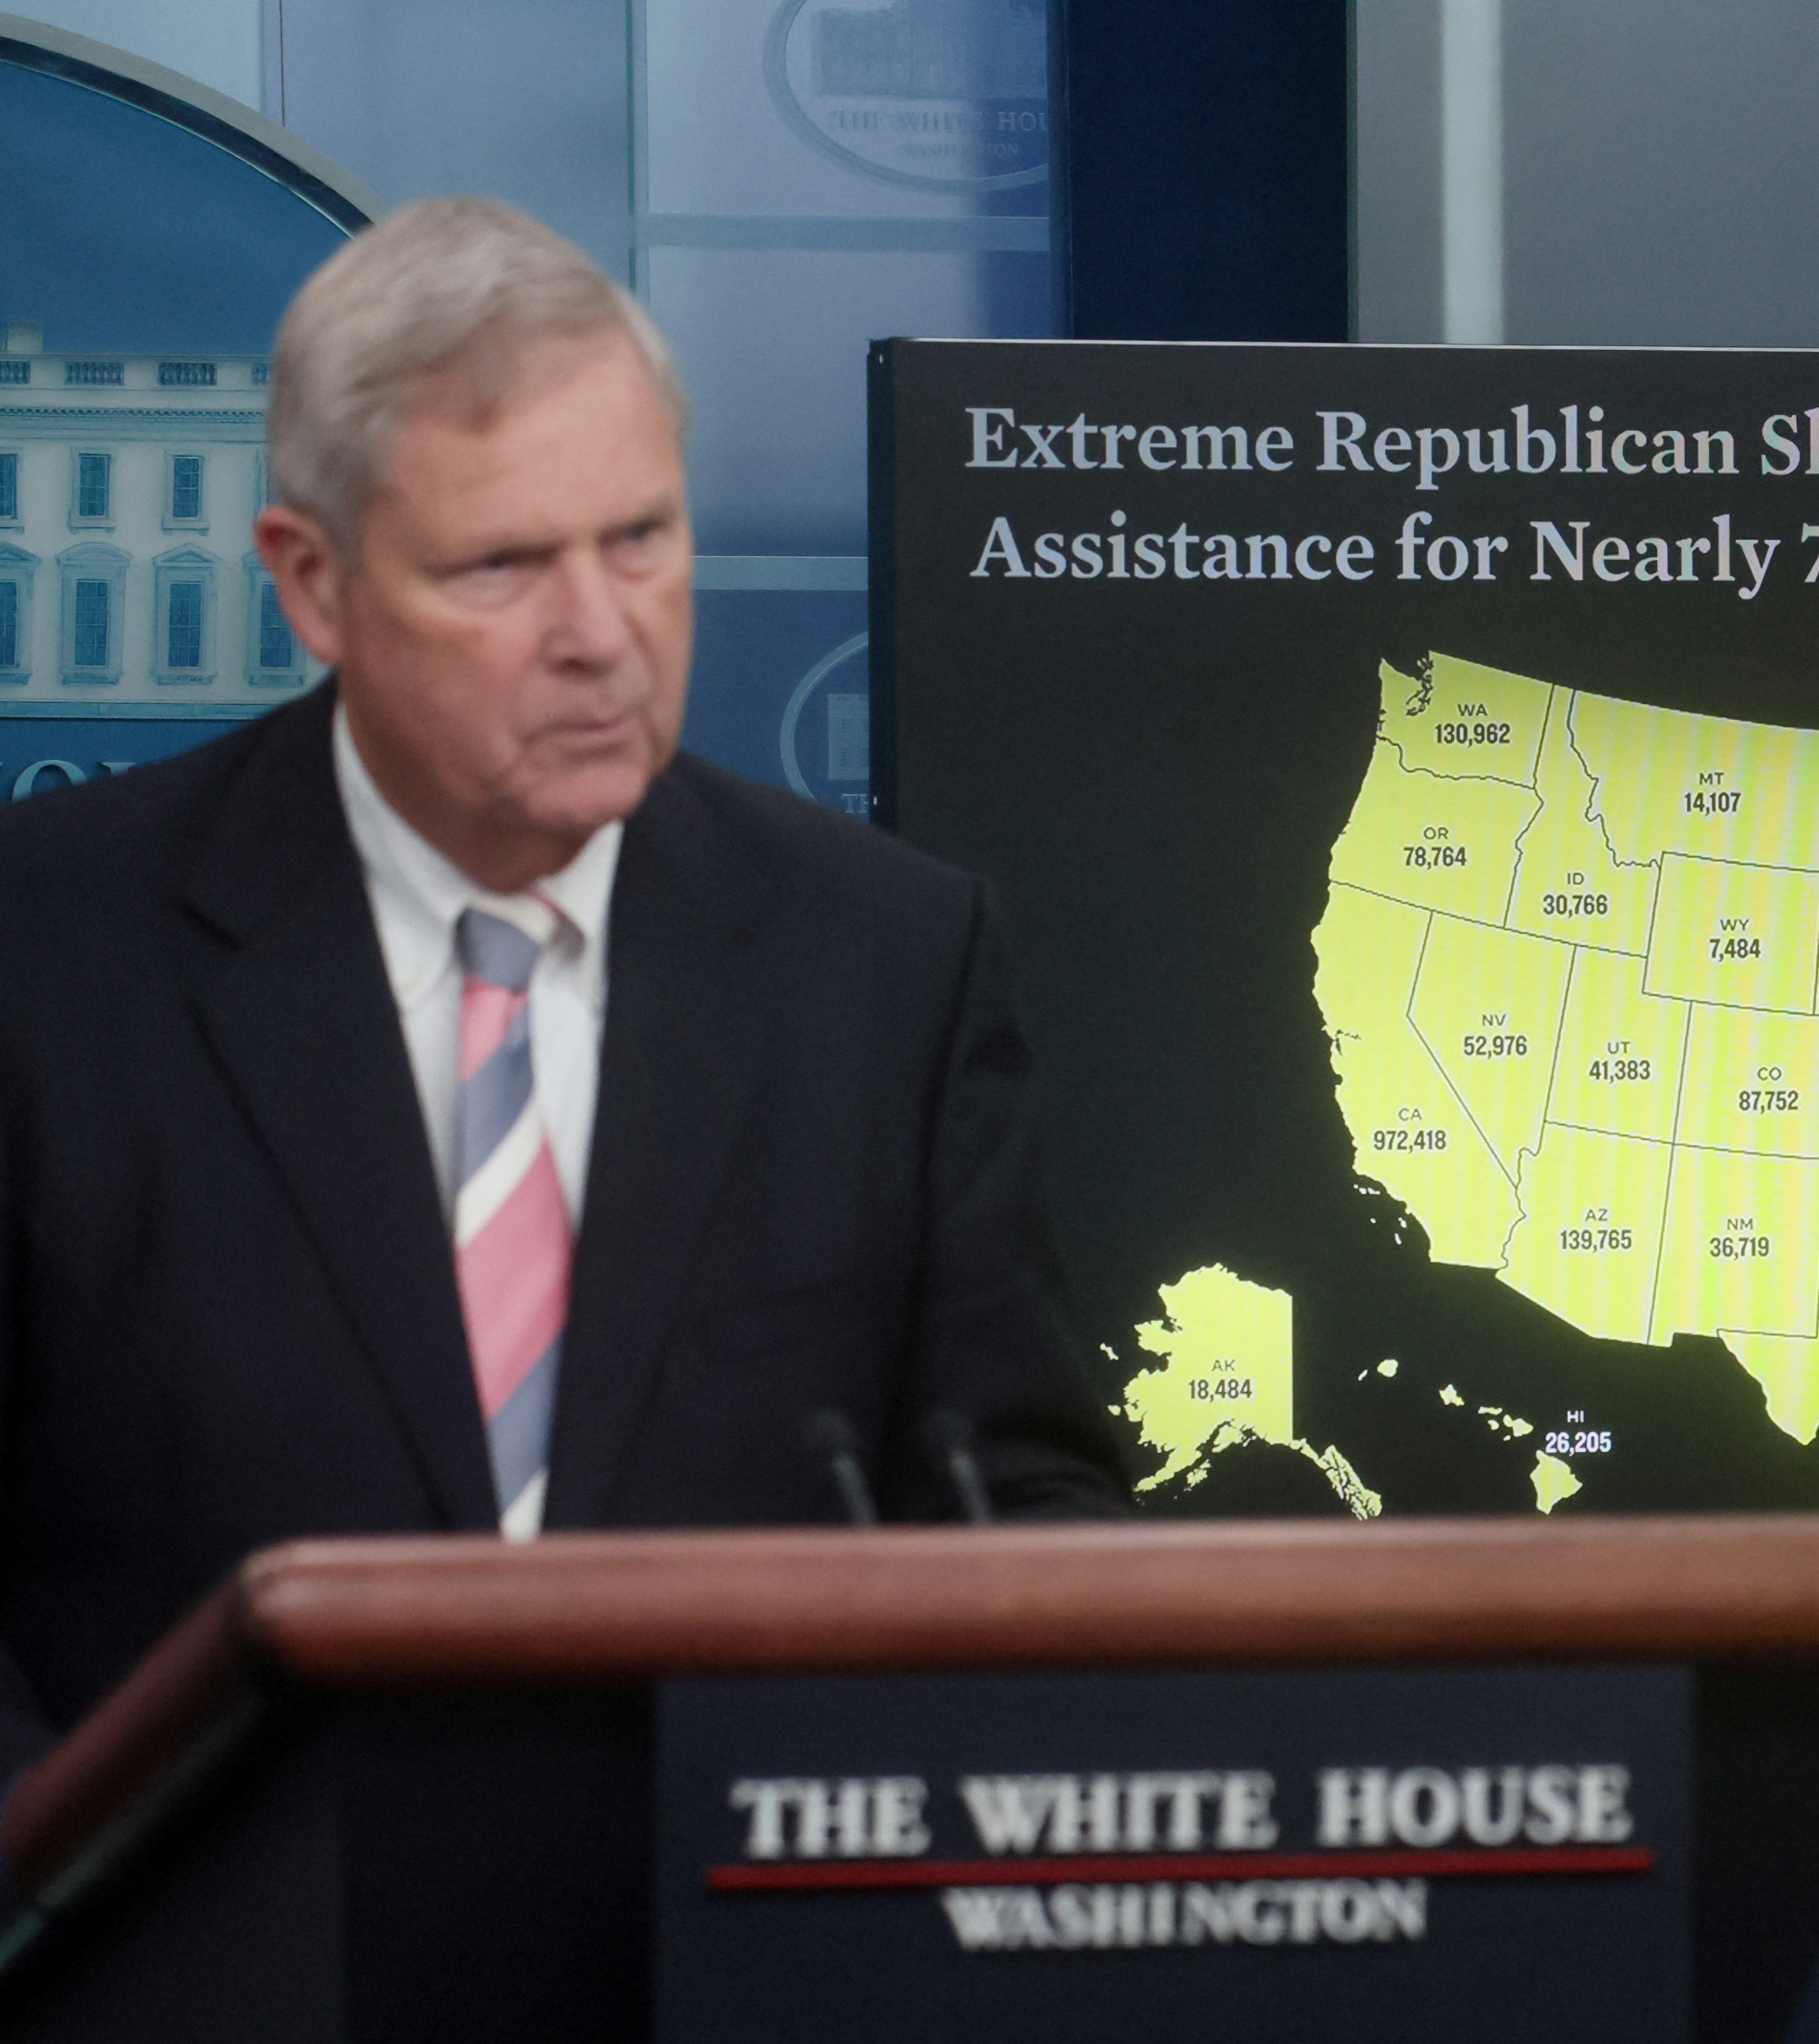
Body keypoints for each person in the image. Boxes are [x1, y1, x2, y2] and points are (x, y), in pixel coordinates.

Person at [0, 197, 1130, 1791]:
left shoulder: (879, 962)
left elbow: (1020, 1517)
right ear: (312, 585)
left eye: (641, 540)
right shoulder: (48, 951)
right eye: (503, 565)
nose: (602, 637)